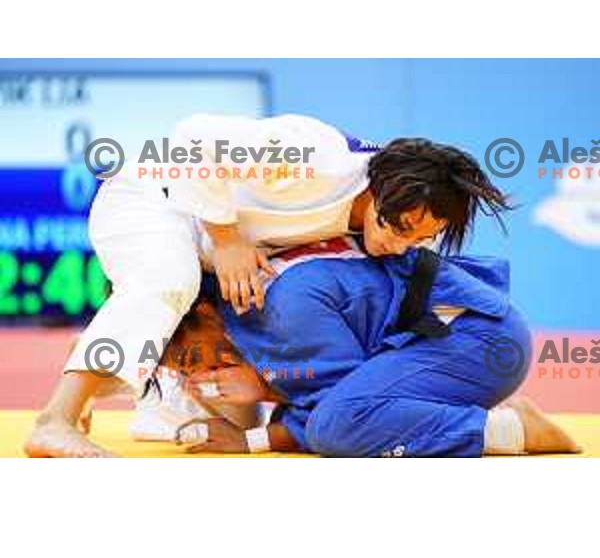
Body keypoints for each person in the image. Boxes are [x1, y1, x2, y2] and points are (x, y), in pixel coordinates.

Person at [25, 113, 511, 457]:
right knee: (171, 280)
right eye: (401, 229)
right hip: (153, 198)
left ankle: (109, 380)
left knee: (220, 407)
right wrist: (227, 237)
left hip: (200, 244)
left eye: (420, 238)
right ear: (383, 189)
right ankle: (55, 420)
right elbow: (193, 137)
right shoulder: (318, 157)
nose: (403, 245)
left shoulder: (378, 221)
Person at [178, 241, 578, 457]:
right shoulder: (250, 295)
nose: (200, 374)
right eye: (182, 372)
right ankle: (460, 413)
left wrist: (253, 432)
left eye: (189, 358)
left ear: (204, 312)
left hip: (477, 336)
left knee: (335, 428)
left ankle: (512, 430)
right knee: (312, 418)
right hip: (460, 330)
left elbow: (340, 411)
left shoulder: (277, 310)